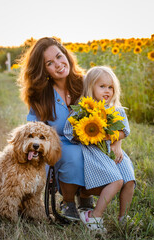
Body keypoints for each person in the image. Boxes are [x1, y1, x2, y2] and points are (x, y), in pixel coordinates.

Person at [17, 37, 93, 221]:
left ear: (66, 55)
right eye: (50, 63)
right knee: (73, 155)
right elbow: (32, 127)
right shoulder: (41, 95)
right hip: (59, 143)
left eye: (59, 57)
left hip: (89, 139)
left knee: (92, 153)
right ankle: (68, 202)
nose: (59, 65)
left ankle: (85, 198)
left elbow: (107, 107)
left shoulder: (85, 83)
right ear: (44, 70)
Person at [64, 66, 136, 232]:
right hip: (94, 152)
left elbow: (124, 131)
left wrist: (112, 139)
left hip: (113, 151)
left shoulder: (116, 109)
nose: (107, 91)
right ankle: (94, 216)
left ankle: (123, 217)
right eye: (102, 86)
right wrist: (88, 133)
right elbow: (70, 132)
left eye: (110, 87)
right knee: (116, 181)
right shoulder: (83, 110)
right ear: (90, 87)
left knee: (129, 180)